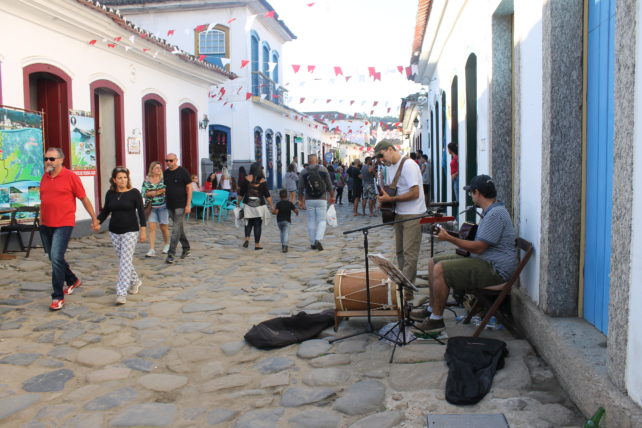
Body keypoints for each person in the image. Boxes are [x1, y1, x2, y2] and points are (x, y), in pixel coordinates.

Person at [412, 175, 517, 334]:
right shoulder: (493, 211)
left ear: (477, 193)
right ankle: (431, 309)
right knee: (433, 262)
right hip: (485, 261)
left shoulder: (495, 214)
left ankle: (436, 320)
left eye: (471, 193)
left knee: (440, 269)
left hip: (496, 270)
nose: (471, 196)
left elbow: (479, 247)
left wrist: (448, 238)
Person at [39, 148, 100, 310]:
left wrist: (94, 219)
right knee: (54, 258)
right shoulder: (44, 177)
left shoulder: (70, 176)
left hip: (63, 223)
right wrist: (40, 220)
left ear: (61, 160)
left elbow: (83, 198)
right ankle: (73, 280)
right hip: (46, 224)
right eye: (45, 159)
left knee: (56, 257)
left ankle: (57, 296)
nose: (48, 162)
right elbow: (44, 200)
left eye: (52, 159)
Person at [375, 140, 425, 299]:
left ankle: (407, 293)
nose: (381, 160)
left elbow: (415, 193)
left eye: (382, 155)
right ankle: (404, 285)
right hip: (398, 213)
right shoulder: (390, 168)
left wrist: (391, 198)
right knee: (399, 252)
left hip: (413, 213)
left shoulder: (409, 165)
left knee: (409, 254)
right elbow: (393, 191)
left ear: (390, 149)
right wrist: (384, 199)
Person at [97, 167, 146, 305]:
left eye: (125, 177)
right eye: (119, 178)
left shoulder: (134, 193)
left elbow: (141, 212)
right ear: (114, 180)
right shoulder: (110, 194)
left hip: (130, 230)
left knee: (125, 261)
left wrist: (143, 230)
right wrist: (98, 221)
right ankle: (135, 281)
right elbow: (106, 210)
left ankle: (121, 293)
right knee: (124, 261)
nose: (123, 180)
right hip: (114, 231)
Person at [298, 154, 334, 251]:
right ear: (317, 161)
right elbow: (329, 184)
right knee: (322, 220)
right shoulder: (323, 170)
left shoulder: (303, 172)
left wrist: (300, 200)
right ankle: (318, 238)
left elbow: (300, 187)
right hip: (321, 198)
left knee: (311, 221)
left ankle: (313, 243)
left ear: (308, 161)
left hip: (309, 199)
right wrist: (332, 196)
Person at [163, 153, 192, 264]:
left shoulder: (183, 172)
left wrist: (188, 204)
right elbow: (164, 188)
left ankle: (171, 254)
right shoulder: (165, 173)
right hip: (170, 204)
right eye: (166, 161)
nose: (168, 163)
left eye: (170, 160)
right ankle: (186, 248)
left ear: (176, 160)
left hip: (181, 205)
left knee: (175, 230)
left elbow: (189, 188)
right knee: (179, 228)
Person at [239, 162, 273, 249]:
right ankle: (257, 245)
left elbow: (241, 193)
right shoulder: (263, 181)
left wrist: (237, 203)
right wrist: (272, 205)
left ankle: (247, 239)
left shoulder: (246, 179)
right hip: (259, 206)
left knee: (248, 223)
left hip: (248, 204)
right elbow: (267, 196)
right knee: (257, 225)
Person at [141, 161, 170, 257]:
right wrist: (156, 192)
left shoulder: (164, 179)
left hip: (163, 206)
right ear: (152, 169)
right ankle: (152, 249)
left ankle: (167, 244)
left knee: (164, 227)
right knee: (152, 227)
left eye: (160, 167)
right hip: (151, 207)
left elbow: (167, 190)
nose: (159, 169)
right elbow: (143, 193)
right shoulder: (146, 181)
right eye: (156, 168)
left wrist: (152, 192)